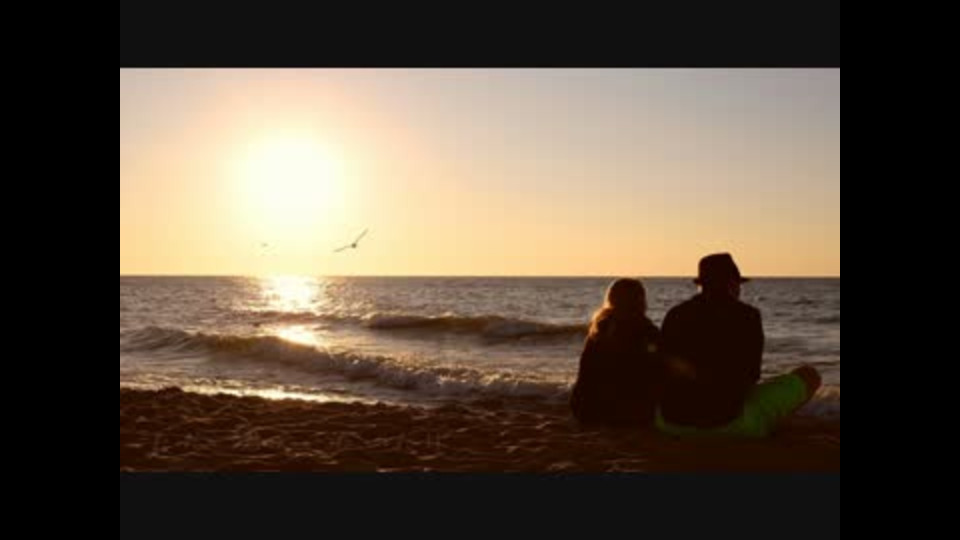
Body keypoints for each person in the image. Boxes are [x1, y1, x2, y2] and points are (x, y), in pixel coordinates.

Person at [657, 253, 821, 438]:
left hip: (670, 423)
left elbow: (662, 366)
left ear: (701, 285)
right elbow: (752, 375)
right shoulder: (747, 315)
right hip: (730, 424)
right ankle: (766, 426)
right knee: (810, 375)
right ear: (732, 284)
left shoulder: (675, 314)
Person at [570, 278, 662, 428]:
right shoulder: (646, 330)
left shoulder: (599, 328)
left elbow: (585, 370)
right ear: (640, 300)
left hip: (586, 407)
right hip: (626, 410)